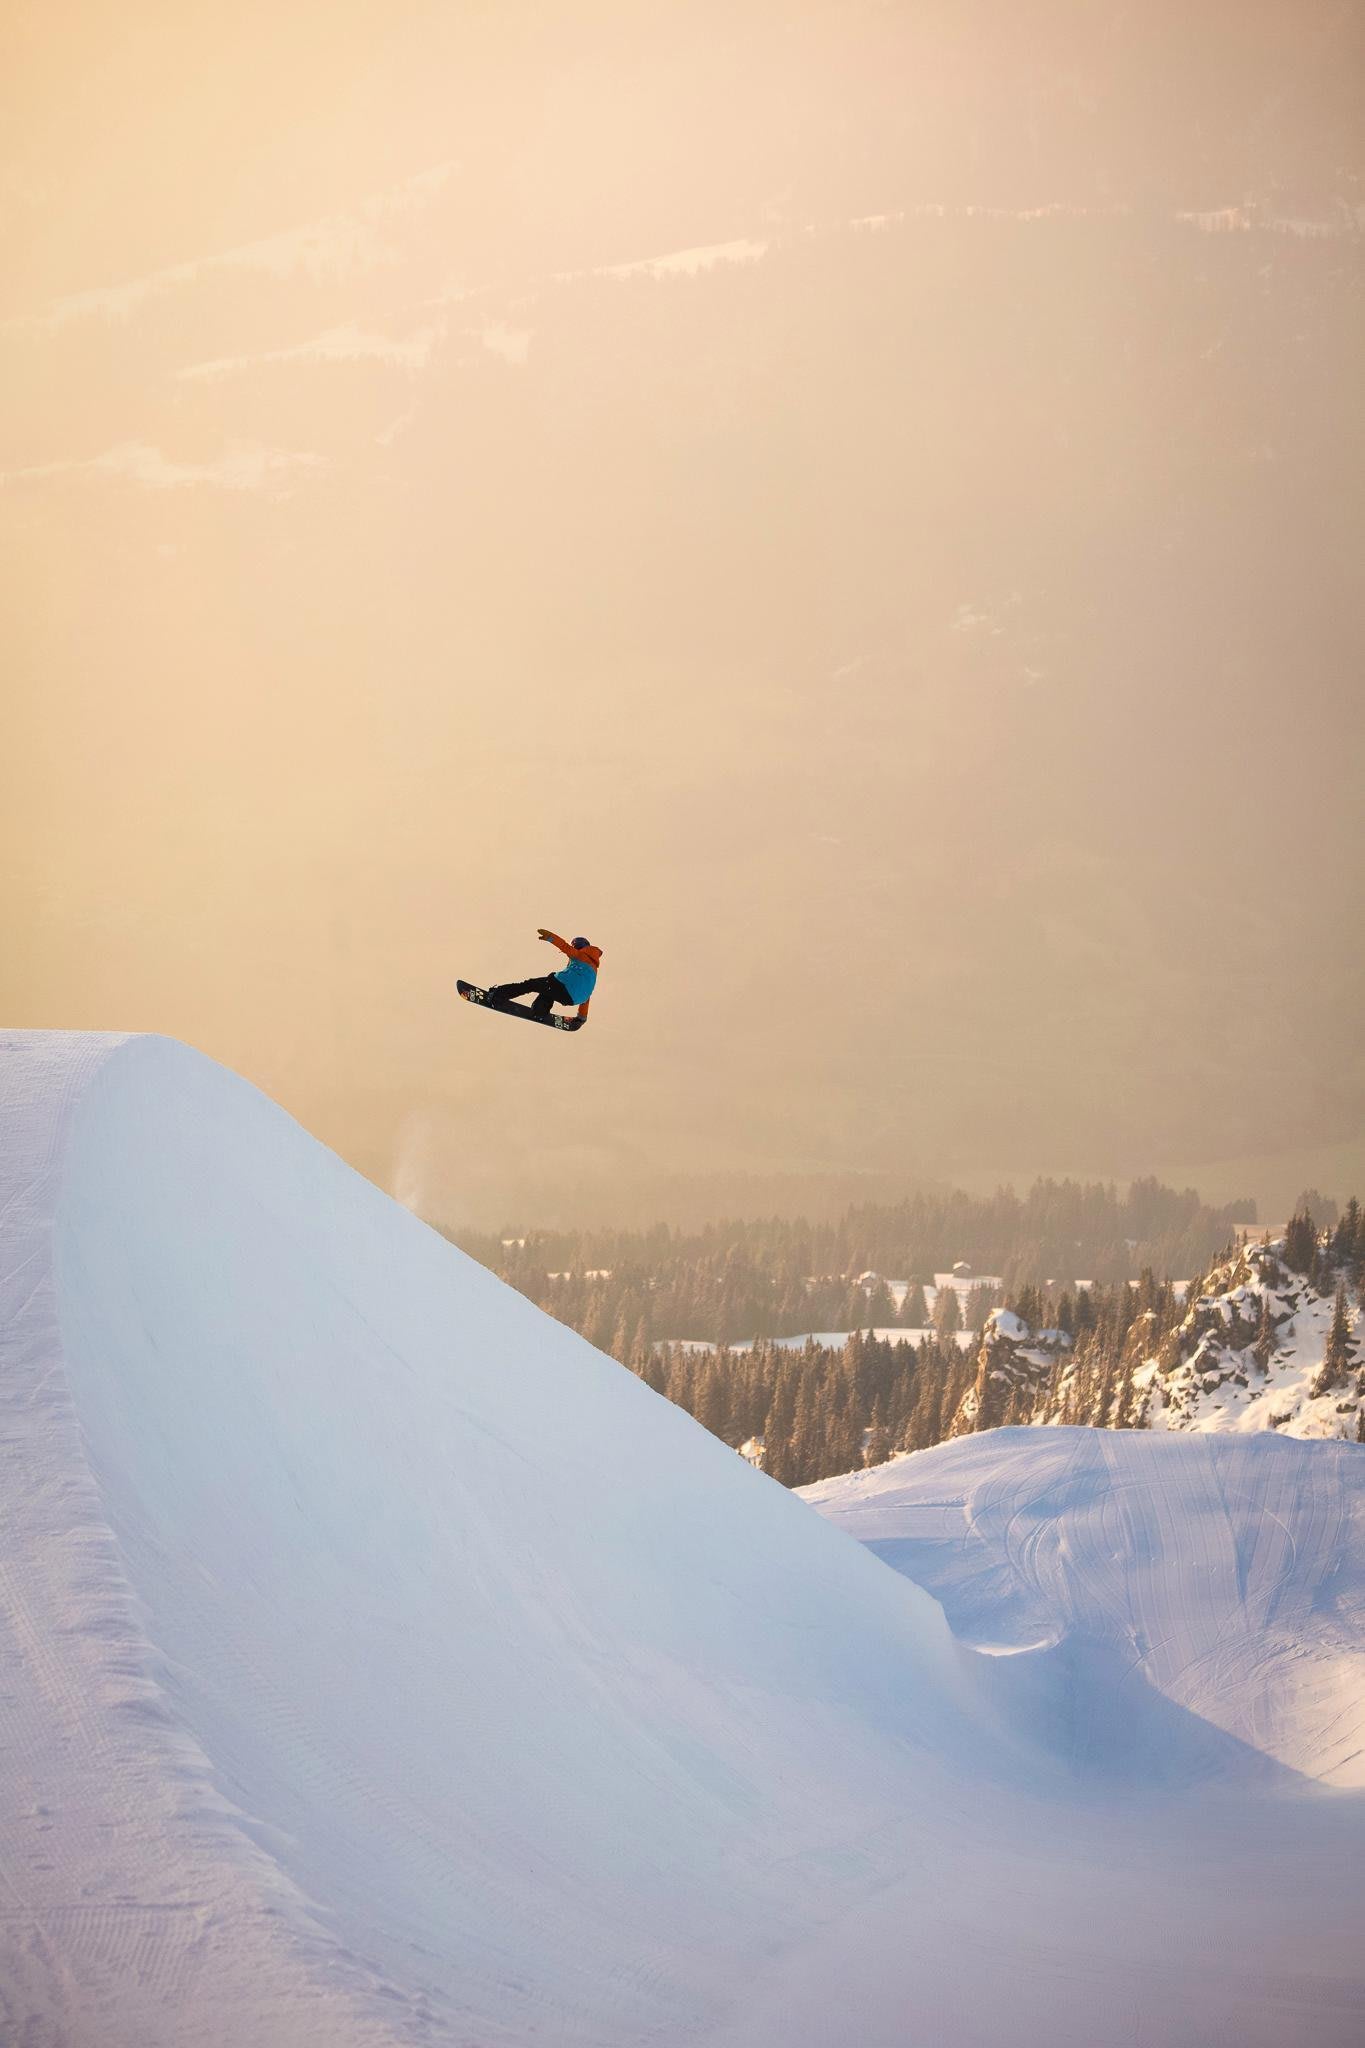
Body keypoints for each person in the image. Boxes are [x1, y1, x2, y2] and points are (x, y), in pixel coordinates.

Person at [489, 930, 602, 1022]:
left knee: (530, 984)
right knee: (549, 989)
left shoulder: (580, 955)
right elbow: (586, 994)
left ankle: (498, 995)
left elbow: (565, 947)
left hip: (563, 988)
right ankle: (539, 1012)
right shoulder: (593, 970)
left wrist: (550, 937)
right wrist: (582, 1017)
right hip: (572, 999)